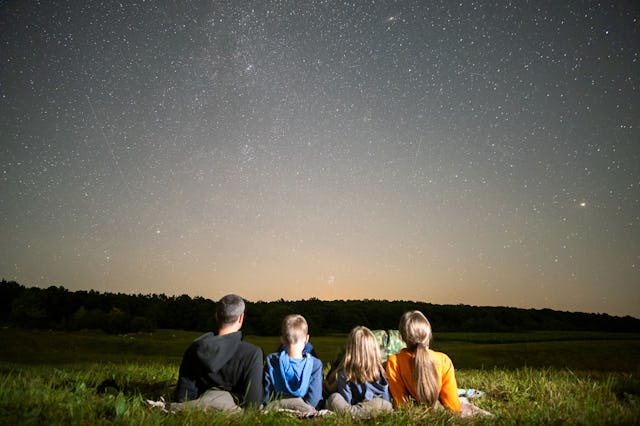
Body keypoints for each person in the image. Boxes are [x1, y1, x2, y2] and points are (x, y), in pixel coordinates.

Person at [171, 294, 263, 411]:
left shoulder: (195, 348)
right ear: (241, 318)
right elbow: (252, 403)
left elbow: (183, 395)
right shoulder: (252, 353)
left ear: (216, 316)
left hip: (195, 409)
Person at [385, 310, 461, 412]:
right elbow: (453, 407)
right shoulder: (444, 360)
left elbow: (401, 404)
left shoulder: (394, 362)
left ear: (403, 337)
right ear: (428, 334)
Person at [325, 326, 393, 419]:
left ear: (350, 350)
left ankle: (354, 415)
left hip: (358, 408)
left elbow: (346, 401)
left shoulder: (344, 374)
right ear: (373, 350)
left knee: (333, 399)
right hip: (373, 408)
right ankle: (360, 414)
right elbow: (386, 399)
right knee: (383, 404)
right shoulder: (379, 370)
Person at [263, 314, 323, 415]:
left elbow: (267, 391)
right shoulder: (315, 364)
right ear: (307, 339)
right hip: (304, 407)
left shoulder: (272, 360)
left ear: (282, 339)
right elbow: (314, 398)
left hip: (277, 405)